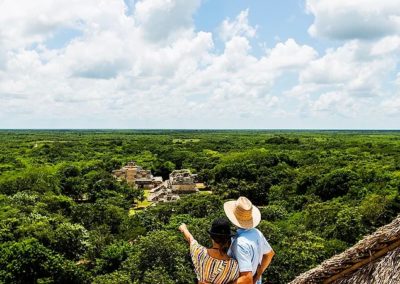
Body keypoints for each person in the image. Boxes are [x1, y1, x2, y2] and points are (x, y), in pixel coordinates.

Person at [224, 196, 275, 284]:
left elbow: (246, 279)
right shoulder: (256, 232)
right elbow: (269, 254)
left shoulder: (239, 243)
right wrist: (257, 276)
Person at [179, 218, 240, 284]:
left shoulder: (200, 252)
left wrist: (184, 229)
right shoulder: (234, 266)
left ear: (212, 237)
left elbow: (190, 239)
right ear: (228, 239)